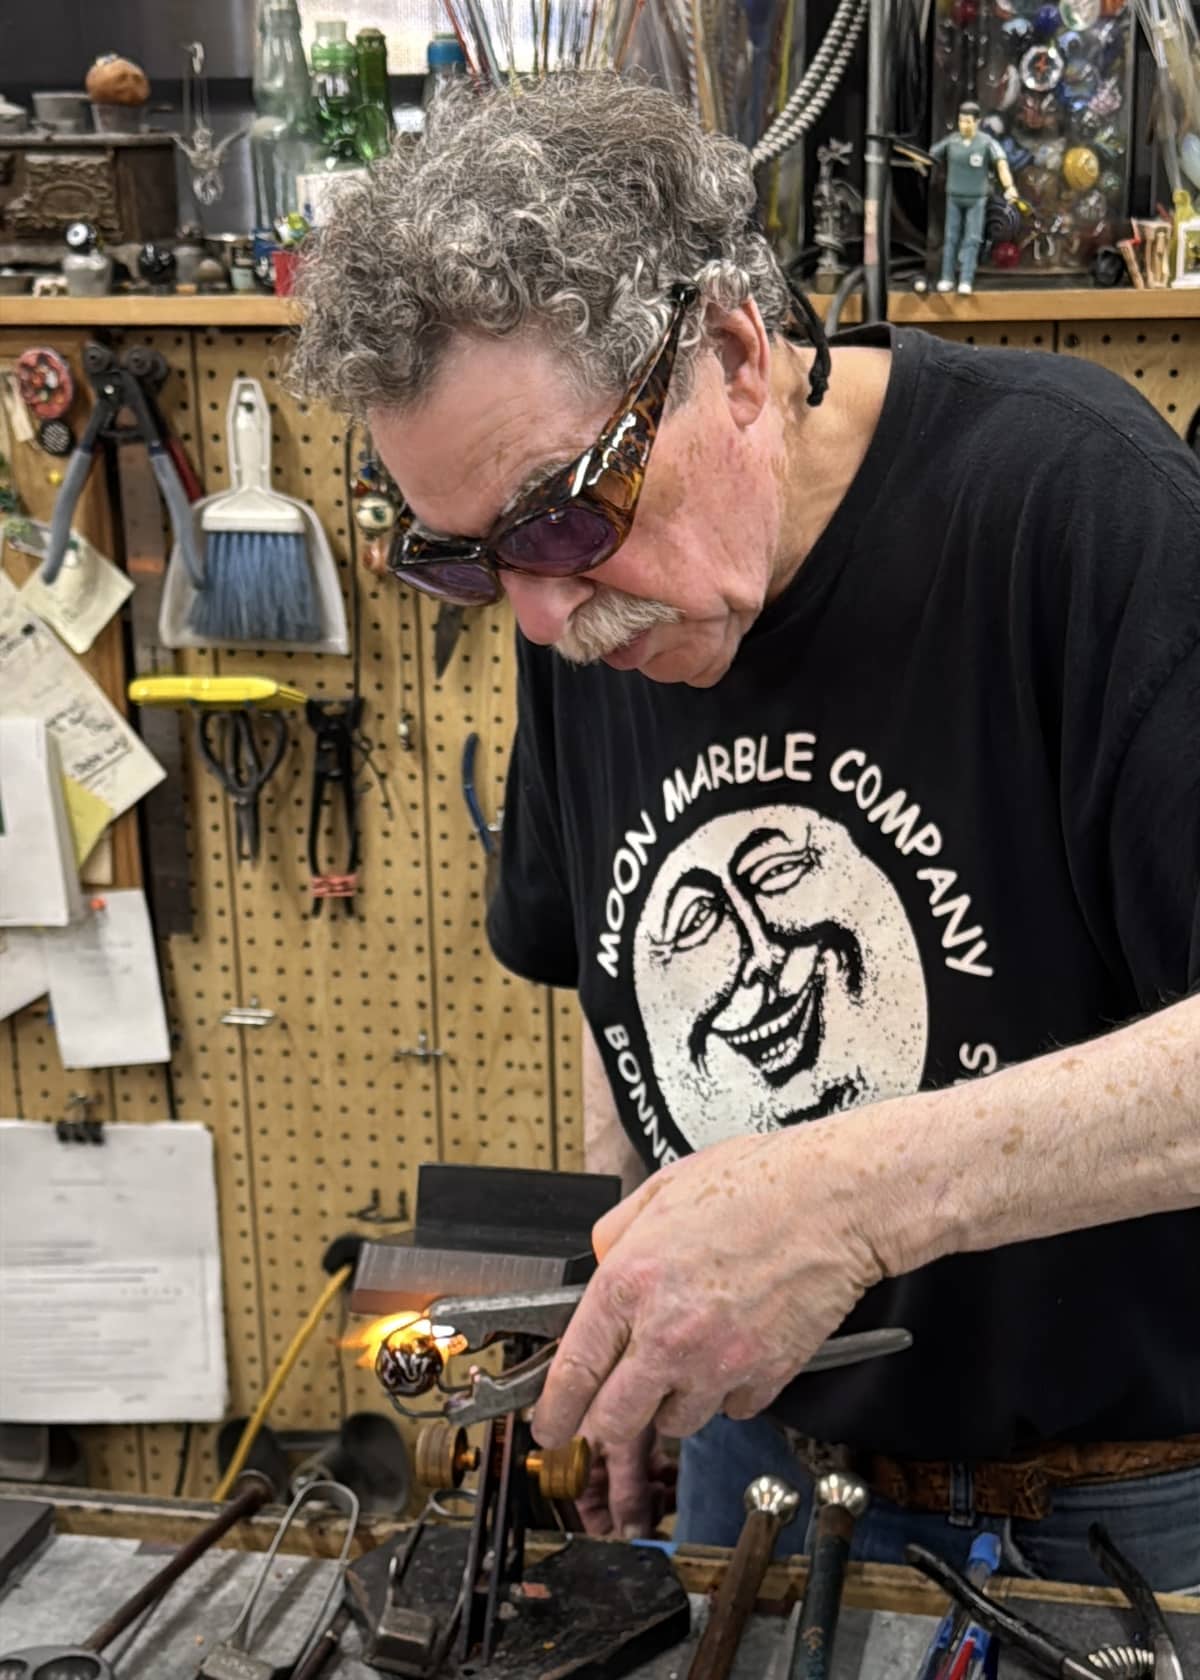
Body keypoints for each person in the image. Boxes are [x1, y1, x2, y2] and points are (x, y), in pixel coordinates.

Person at [291, 73, 1200, 1589]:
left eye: (565, 516)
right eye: (466, 563)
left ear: (729, 351)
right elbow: (608, 967)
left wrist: (841, 1200)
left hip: (1107, 1515)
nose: (543, 614)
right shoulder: (577, 594)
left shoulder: (1078, 510)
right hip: (754, 1464)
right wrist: (644, 1292)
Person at [929, 100, 1018, 294]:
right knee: (951, 238)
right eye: (961, 121)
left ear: (977, 122)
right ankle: (947, 277)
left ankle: (966, 279)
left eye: (968, 122)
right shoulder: (952, 141)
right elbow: (932, 155)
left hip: (976, 198)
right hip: (954, 196)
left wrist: (1009, 186)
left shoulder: (986, 142)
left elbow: (1001, 163)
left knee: (972, 238)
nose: (964, 125)